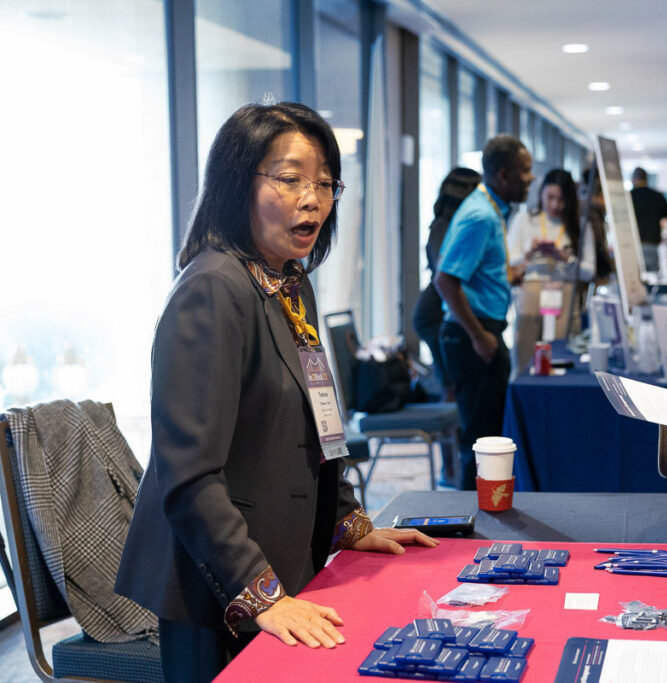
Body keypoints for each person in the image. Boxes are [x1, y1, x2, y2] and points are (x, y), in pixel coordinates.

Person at [114, 102, 437, 683]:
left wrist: (350, 524)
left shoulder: (289, 280)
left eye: (324, 183)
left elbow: (318, 423)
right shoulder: (213, 290)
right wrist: (259, 592)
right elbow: (187, 475)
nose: (312, 199)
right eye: (289, 180)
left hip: (286, 551)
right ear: (238, 183)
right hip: (216, 584)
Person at [435, 134, 533, 489]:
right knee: (479, 441)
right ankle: (468, 524)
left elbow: (475, 273)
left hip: (481, 331)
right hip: (472, 336)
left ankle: (485, 514)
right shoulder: (480, 216)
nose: (531, 178)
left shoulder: (489, 209)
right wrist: (480, 337)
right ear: (504, 175)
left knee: (488, 435)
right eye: (526, 171)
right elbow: (445, 279)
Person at [412, 166, 482, 404]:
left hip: (434, 314)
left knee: (452, 386)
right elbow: (446, 275)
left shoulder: (445, 225)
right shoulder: (446, 227)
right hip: (434, 316)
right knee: (452, 388)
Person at [506, 168, 578, 267]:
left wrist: (568, 258)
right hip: (529, 279)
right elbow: (509, 261)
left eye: (561, 199)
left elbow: (589, 272)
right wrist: (528, 254)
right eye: (550, 197)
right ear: (541, 193)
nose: (555, 205)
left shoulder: (578, 224)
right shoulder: (523, 218)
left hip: (565, 280)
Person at [629, 167, 667, 271]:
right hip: (652, 243)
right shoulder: (657, 196)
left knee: (634, 277)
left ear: (634, 179)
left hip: (633, 244)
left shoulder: (628, 196)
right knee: (652, 279)